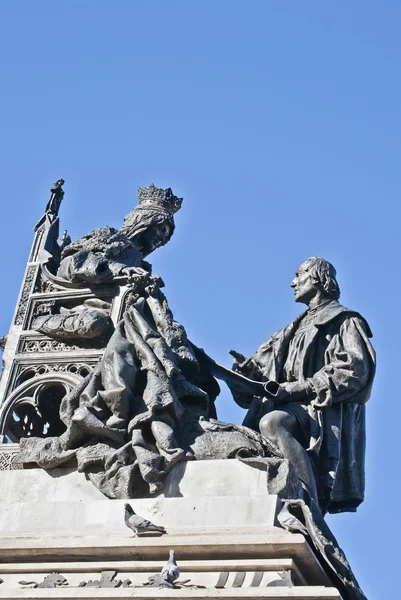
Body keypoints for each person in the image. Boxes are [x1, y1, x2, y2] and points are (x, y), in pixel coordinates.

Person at [231, 257, 375, 514]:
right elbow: (263, 378)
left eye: (298, 275)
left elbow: (355, 370)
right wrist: (247, 373)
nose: (292, 282)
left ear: (318, 278)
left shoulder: (344, 320)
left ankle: (306, 504)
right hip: (286, 404)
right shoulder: (291, 329)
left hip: (318, 412)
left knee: (272, 423)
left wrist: (300, 389)